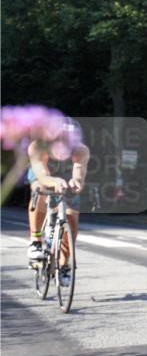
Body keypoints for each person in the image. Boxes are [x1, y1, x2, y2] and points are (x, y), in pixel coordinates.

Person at [26, 119, 90, 286]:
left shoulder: (81, 150)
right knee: (38, 189)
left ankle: (63, 264)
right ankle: (35, 241)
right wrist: (54, 182)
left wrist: (76, 182)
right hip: (45, 173)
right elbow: (42, 175)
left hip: (66, 174)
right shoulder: (38, 146)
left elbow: (78, 173)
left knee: (72, 218)